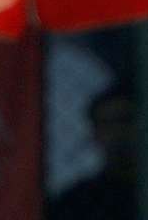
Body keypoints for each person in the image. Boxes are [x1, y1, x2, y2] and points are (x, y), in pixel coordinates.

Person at [48, 83, 138, 220]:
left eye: (124, 121)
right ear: (95, 133)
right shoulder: (77, 204)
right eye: (107, 124)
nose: (117, 133)